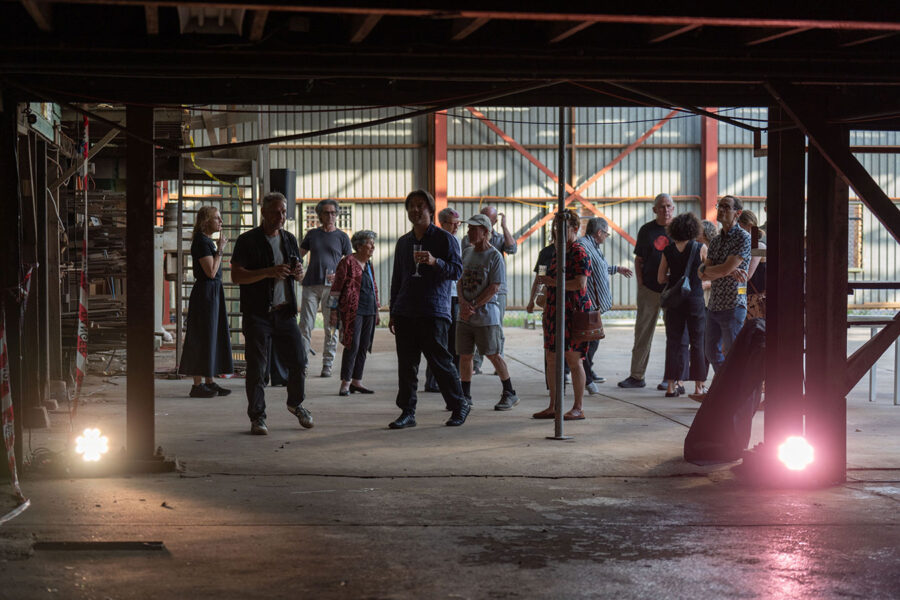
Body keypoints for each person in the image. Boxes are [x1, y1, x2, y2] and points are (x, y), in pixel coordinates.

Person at [231, 192, 312, 435]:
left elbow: (298, 274)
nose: (281, 216)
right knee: (258, 368)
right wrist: (268, 272)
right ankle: (258, 417)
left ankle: (296, 403)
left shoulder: (289, 239)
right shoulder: (247, 240)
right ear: (263, 212)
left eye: (284, 212)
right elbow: (236, 276)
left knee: (299, 361)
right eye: (276, 212)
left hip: (284, 312)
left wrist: (298, 273)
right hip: (257, 314)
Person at [388, 189, 470, 429]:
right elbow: (397, 278)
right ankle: (407, 412)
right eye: (411, 206)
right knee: (407, 366)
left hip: (433, 309)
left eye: (420, 206)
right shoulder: (404, 243)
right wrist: (393, 311)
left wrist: (435, 262)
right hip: (405, 311)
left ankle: (459, 405)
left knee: (440, 362)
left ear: (430, 210)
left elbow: (457, 271)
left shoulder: (445, 239)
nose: (415, 210)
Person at [533, 209, 592, 421]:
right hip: (554, 311)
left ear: (575, 229)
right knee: (551, 358)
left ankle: (578, 407)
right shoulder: (557, 252)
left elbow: (580, 284)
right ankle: (554, 405)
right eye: (556, 228)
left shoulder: (579, 252)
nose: (558, 232)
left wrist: (553, 283)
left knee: (574, 359)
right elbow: (544, 278)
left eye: (563, 228)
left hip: (573, 312)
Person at [457, 214, 520, 411]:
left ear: (485, 232)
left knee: (493, 354)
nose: (469, 232)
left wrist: (473, 305)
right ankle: (465, 395)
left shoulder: (494, 256)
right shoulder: (467, 252)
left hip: (486, 316)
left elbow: (494, 287)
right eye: (469, 228)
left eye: (473, 229)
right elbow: (460, 280)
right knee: (465, 355)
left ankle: (509, 392)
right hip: (465, 315)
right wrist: (462, 303)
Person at [619, 193, 676, 390]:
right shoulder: (646, 230)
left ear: (673, 208)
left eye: (668, 206)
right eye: (661, 206)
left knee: (674, 335)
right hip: (649, 289)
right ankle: (637, 376)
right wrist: (641, 283)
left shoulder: (679, 229)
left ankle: (670, 378)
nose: (665, 210)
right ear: (654, 210)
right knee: (642, 333)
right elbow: (639, 259)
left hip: (672, 290)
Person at [178, 206, 234, 397]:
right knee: (202, 336)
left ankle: (209, 381)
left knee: (212, 335)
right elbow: (210, 272)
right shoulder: (202, 242)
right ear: (206, 221)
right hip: (205, 294)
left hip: (212, 292)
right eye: (217, 218)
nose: (221, 222)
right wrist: (221, 250)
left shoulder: (206, 241)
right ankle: (197, 385)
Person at [578, 218, 633, 395]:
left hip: (595, 306)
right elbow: (584, 270)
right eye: (606, 234)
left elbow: (598, 268)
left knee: (593, 339)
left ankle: (586, 370)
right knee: (589, 341)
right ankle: (585, 375)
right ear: (599, 232)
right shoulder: (583, 246)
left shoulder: (593, 246)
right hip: (588, 304)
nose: (606, 237)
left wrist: (616, 269)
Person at [298, 199, 352, 378]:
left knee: (332, 326)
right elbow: (298, 255)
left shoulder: (342, 237)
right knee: (305, 326)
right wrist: (298, 271)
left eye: (333, 213)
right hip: (311, 285)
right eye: (326, 213)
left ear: (337, 215)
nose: (330, 216)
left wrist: (339, 276)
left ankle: (327, 364)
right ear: (320, 215)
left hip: (333, 288)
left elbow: (350, 264)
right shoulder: (312, 234)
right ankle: (302, 365)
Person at [699, 195, 751, 373]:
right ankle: (725, 385)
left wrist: (720, 270)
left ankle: (734, 388)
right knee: (711, 352)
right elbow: (702, 274)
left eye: (726, 207)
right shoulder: (715, 240)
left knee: (732, 354)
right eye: (719, 206)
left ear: (738, 213)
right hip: (714, 304)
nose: (721, 210)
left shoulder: (743, 238)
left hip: (733, 304)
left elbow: (717, 270)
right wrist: (726, 270)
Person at [657, 213, 707, 398]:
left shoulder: (668, 250)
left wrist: (676, 280)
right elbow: (708, 273)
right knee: (697, 342)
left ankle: (671, 386)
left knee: (673, 342)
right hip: (695, 299)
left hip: (675, 301)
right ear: (694, 229)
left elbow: (660, 278)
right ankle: (699, 387)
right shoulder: (701, 248)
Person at [462, 205, 516, 374]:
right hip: (474, 288)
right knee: (473, 328)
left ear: (493, 222)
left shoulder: (499, 240)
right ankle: (476, 364)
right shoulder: (468, 240)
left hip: (497, 291)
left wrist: (505, 227)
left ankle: (498, 360)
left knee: (494, 327)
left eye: (488, 217)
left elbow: (512, 248)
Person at [329, 230, 379, 397]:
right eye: (370, 243)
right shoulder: (348, 262)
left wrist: (377, 309)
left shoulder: (369, 264)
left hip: (369, 309)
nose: (373, 247)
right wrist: (333, 311)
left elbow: (373, 286)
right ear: (359, 246)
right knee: (353, 345)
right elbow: (336, 287)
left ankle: (357, 381)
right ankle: (346, 382)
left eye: (373, 243)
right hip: (353, 310)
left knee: (364, 345)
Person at [424, 207, 462, 396]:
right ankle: (433, 381)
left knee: (455, 341)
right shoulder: (437, 241)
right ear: (443, 223)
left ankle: (452, 379)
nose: (456, 227)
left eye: (458, 224)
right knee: (439, 340)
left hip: (456, 295)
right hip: (442, 296)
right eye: (453, 224)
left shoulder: (457, 241)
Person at [737, 210, 766, 320]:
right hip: (747, 298)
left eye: (739, 227)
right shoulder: (744, 247)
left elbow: (747, 276)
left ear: (749, 226)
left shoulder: (760, 247)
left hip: (756, 299)